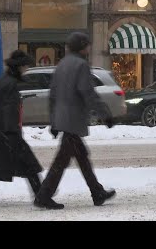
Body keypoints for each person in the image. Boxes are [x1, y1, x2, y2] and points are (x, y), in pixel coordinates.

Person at [34, 32, 116, 210]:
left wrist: (54, 121)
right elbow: (88, 93)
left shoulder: (62, 64)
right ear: (82, 47)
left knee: (81, 157)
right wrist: (105, 114)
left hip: (63, 119)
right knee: (62, 161)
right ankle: (43, 195)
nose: (89, 47)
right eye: (87, 44)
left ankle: (97, 192)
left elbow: (53, 95)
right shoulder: (81, 65)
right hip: (73, 119)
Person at [0, 50, 43, 205]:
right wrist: (13, 133)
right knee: (28, 162)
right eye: (25, 66)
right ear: (19, 66)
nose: (26, 69)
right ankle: (41, 195)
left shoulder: (3, 79)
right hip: (6, 131)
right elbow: (9, 109)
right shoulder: (11, 83)